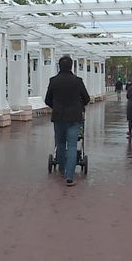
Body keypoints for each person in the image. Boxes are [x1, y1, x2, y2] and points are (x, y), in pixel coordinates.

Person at [45, 56, 91, 187]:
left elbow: (47, 100)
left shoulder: (53, 81)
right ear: (71, 66)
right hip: (74, 118)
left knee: (60, 143)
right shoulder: (77, 81)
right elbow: (86, 99)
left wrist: (57, 107)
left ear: (59, 66)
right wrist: (78, 106)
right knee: (72, 146)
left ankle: (61, 169)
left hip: (59, 117)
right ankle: (69, 177)